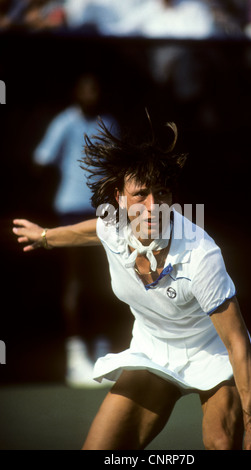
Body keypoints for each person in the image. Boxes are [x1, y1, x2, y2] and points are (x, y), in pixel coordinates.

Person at [12, 116, 251, 450]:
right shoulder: (113, 226)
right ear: (120, 198)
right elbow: (92, 230)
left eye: (162, 193)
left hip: (213, 353)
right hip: (153, 349)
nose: (153, 207)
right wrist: (46, 237)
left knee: (222, 445)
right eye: (141, 195)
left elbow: (238, 343)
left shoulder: (201, 255)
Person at [33, 74, 117, 387]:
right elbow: (40, 160)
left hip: (103, 212)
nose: (91, 94)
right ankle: (75, 357)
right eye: (86, 88)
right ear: (76, 92)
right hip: (70, 209)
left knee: (108, 278)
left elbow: (116, 168)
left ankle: (103, 352)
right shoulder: (64, 123)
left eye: (96, 88)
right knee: (76, 281)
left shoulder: (108, 123)